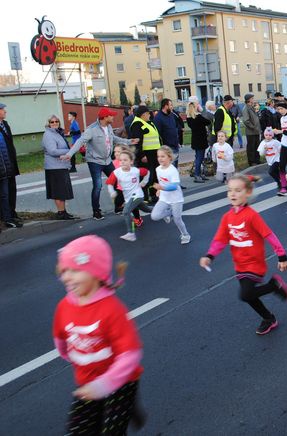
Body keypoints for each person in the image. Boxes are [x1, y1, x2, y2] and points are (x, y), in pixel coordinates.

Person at [53, 235, 144, 434]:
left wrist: (106, 384)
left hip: (121, 380)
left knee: (112, 431)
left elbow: (131, 354)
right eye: (64, 271)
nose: (66, 277)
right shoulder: (64, 306)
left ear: (96, 274)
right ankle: (126, 410)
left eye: (75, 271)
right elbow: (61, 338)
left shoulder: (112, 309)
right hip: (87, 381)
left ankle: (125, 407)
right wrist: (71, 356)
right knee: (78, 430)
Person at [199, 174, 287, 335]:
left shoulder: (251, 215)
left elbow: (269, 235)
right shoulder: (227, 217)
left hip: (254, 263)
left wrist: (281, 256)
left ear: (247, 193)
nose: (232, 194)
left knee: (246, 294)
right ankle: (269, 318)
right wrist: (209, 256)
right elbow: (220, 240)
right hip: (239, 264)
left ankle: (273, 285)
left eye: (237, 190)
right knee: (249, 297)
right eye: (229, 190)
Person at [65, 107, 138, 220]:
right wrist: (70, 154)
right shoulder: (92, 129)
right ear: (105, 117)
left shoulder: (108, 126)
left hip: (107, 160)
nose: (113, 117)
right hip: (95, 161)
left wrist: (128, 142)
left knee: (117, 181)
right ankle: (96, 211)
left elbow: (114, 138)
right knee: (98, 186)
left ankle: (118, 206)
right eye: (111, 115)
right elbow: (80, 141)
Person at [106, 149, 151, 242]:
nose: (122, 162)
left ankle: (131, 233)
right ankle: (165, 211)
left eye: (125, 160)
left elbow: (147, 172)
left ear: (131, 161)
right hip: (128, 197)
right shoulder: (117, 172)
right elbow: (110, 183)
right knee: (147, 209)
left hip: (137, 195)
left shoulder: (135, 171)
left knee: (126, 211)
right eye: (121, 160)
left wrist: (144, 182)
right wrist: (112, 192)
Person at [151, 146, 191, 244]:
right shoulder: (158, 169)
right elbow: (161, 181)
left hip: (176, 198)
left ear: (169, 157)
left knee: (177, 219)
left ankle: (185, 235)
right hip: (164, 197)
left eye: (163, 156)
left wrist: (161, 188)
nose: (160, 158)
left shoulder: (173, 170)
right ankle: (169, 213)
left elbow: (174, 186)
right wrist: (160, 191)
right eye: (158, 156)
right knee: (154, 216)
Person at [42, 115, 76, 220]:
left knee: (63, 191)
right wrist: (69, 151)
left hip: (61, 166)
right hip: (54, 167)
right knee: (58, 191)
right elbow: (52, 151)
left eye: (57, 121)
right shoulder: (48, 134)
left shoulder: (58, 133)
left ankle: (63, 211)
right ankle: (61, 213)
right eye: (52, 122)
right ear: (48, 124)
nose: (55, 123)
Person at [130, 106, 161, 200]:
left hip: (154, 152)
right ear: (143, 114)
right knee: (147, 176)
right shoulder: (137, 124)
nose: (149, 115)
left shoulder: (148, 122)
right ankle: (144, 197)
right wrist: (142, 155)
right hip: (146, 154)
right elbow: (137, 142)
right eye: (148, 113)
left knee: (154, 175)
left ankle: (154, 194)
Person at [186, 100, 211, 183]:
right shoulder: (198, 117)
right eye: (197, 105)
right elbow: (208, 121)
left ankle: (199, 174)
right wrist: (201, 111)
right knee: (199, 158)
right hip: (201, 140)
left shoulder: (189, 118)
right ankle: (197, 175)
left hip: (195, 140)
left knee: (198, 157)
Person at [153, 99, 180, 166]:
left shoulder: (171, 115)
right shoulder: (158, 118)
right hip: (167, 147)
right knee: (170, 167)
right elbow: (157, 134)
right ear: (165, 106)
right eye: (170, 105)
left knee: (175, 167)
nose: (172, 107)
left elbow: (174, 128)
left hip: (175, 145)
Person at [257, 127, 283, 194]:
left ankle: (279, 183)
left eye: (270, 135)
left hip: (277, 160)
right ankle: (283, 182)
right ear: (264, 135)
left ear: (272, 136)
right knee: (276, 173)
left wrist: (281, 152)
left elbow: (281, 148)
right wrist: (264, 149)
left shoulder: (275, 142)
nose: (268, 137)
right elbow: (261, 154)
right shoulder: (262, 143)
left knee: (271, 172)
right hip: (270, 161)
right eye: (266, 135)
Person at [241, 93, 262, 166]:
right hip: (251, 132)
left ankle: (257, 160)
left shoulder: (252, 107)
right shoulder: (246, 108)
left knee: (257, 146)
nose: (253, 99)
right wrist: (253, 127)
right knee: (251, 147)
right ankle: (252, 161)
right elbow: (246, 120)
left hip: (256, 131)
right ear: (249, 100)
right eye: (252, 98)